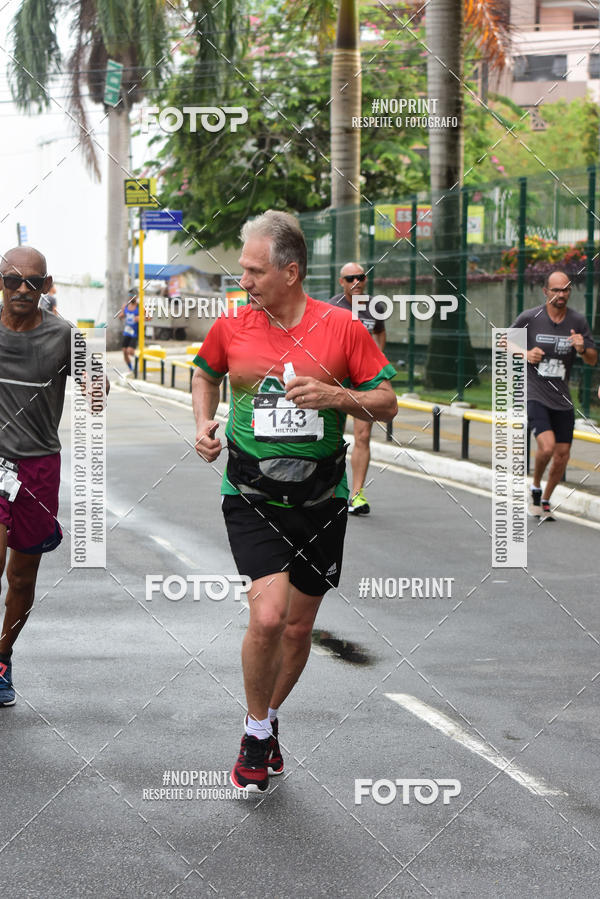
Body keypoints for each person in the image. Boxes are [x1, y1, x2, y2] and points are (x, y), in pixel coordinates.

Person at [192, 211, 397, 792]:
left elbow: (387, 403)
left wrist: (334, 395)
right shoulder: (232, 326)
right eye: (242, 269)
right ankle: (256, 731)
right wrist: (205, 422)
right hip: (251, 492)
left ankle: (269, 716)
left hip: (322, 496)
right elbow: (204, 375)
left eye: (254, 270)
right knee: (268, 615)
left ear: (291, 270)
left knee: (299, 629)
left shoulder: (341, 328)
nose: (244, 280)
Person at [0, 246, 109, 707]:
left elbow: (97, 388)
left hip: (39, 467)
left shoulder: (64, 335)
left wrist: (94, 386)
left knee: (22, 579)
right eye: (12, 280)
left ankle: (3, 658)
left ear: (46, 286)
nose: (22, 289)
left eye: (33, 281)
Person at [512, 269, 597, 519]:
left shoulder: (577, 321)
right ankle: (536, 485)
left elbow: (592, 360)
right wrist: (525, 354)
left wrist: (582, 349)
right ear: (545, 291)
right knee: (547, 448)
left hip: (563, 397)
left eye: (566, 290)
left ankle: (546, 499)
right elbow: (503, 341)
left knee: (562, 456)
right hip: (536, 392)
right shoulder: (531, 317)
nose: (561, 295)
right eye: (557, 290)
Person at [329, 262, 387, 515]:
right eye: (350, 278)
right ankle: (330, 489)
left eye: (361, 277)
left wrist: (375, 361)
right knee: (333, 434)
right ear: (341, 282)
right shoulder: (331, 307)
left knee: (363, 436)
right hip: (337, 377)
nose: (357, 282)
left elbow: (380, 333)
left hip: (364, 380)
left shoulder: (375, 306)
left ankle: (357, 494)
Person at [118, 289, 140, 370]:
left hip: (135, 332)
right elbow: (123, 315)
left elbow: (149, 317)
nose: (131, 298)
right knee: (124, 351)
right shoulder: (125, 306)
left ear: (137, 297)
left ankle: (141, 357)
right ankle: (131, 369)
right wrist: (121, 316)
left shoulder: (140, 307)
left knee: (130, 351)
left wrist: (140, 317)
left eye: (133, 297)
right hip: (127, 332)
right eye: (130, 296)